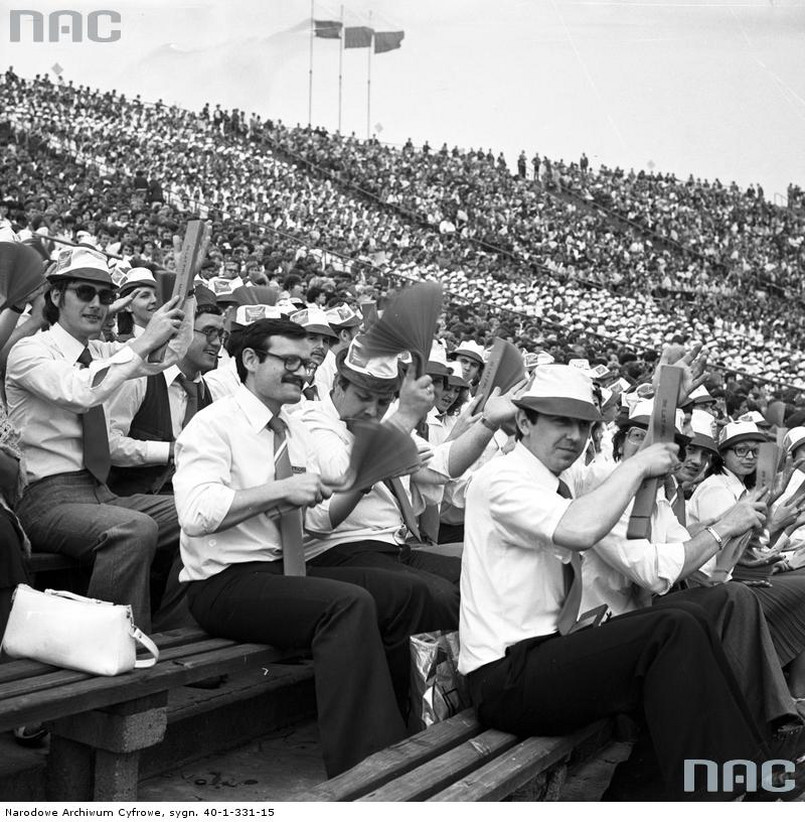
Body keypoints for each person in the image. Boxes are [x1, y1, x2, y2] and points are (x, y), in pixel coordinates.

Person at [459, 364, 774, 801]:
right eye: (560, 422)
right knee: (673, 630)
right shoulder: (503, 479)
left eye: (583, 425)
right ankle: (728, 782)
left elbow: (616, 471)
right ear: (525, 422)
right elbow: (580, 529)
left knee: (689, 617)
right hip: (507, 676)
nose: (574, 435)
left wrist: (665, 413)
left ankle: (678, 788)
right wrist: (649, 461)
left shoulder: (557, 478)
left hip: (547, 654)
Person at [173, 318, 439, 777]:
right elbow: (196, 514)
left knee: (407, 594)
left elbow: (316, 522)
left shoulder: (292, 428)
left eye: (306, 364)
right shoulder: (213, 424)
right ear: (251, 361)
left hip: (279, 574)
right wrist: (280, 491)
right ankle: (368, 766)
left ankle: (418, 727)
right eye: (289, 361)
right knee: (348, 603)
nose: (300, 372)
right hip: (222, 582)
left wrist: (365, 477)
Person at [5, 247, 191, 630]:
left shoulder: (100, 352)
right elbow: (80, 391)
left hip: (96, 490)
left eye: (104, 296)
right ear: (56, 297)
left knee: (202, 512)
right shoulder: (29, 350)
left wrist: (184, 296)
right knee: (132, 530)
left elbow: (166, 355)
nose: (96, 304)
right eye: (84, 293)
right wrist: (141, 342)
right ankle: (107, 643)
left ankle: (176, 633)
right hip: (42, 497)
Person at [688, 420, 805, 699]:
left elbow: (752, 549)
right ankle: (791, 690)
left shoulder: (741, 487)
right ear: (723, 455)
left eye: (755, 451)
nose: (749, 457)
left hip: (736, 576)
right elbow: (726, 554)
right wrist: (781, 528)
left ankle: (792, 686)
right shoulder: (716, 488)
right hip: (716, 585)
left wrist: (774, 551)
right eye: (741, 450)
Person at [106, 303, 223, 497]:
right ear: (178, 333)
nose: (217, 342)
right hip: (129, 499)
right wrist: (168, 451)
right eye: (209, 332)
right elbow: (108, 445)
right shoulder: (139, 378)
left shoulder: (211, 394)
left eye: (221, 334)